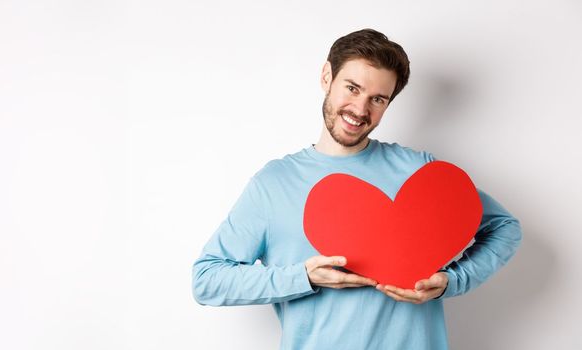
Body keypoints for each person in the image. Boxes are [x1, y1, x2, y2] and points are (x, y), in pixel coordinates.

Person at [191, 28, 522, 349]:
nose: (360, 110)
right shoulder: (275, 183)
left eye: (377, 99)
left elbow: (504, 228)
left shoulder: (419, 172)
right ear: (326, 77)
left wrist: (453, 281)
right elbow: (207, 279)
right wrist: (303, 277)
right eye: (352, 88)